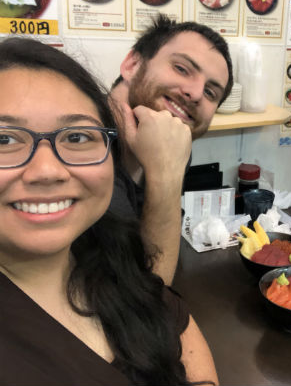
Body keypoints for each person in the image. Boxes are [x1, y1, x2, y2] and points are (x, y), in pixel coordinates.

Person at [0, 37, 218, 385]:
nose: (48, 170)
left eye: (75, 137)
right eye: (5, 140)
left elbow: (159, 301)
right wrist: (166, 172)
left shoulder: (103, 243)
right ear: (131, 64)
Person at [109, 15, 233, 285]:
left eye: (211, 93)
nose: (197, 93)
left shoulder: (173, 139)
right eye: (181, 68)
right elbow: (150, 285)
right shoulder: (82, 149)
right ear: (133, 64)